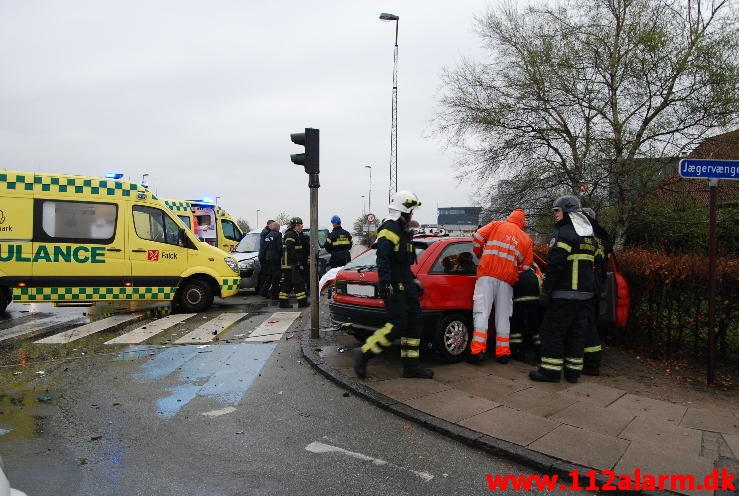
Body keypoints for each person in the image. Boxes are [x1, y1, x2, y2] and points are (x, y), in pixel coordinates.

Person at [353, 190, 433, 379]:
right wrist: (386, 282)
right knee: (397, 325)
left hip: (406, 283)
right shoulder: (389, 228)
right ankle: (365, 354)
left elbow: (402, 263)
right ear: (403, 211)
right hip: (395, 285)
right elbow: (383, 258)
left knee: (414, 323)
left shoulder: (403, 230)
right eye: (410, 211)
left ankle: (411, 367)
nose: (412, 214)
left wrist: (413, 279)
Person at [529, 195, 597, 383]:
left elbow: (555, 266)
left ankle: (550, 371)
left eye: (556, 211)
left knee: (552, 332)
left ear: (567, 212)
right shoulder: (589, 238)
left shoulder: (564, 233)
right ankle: (573, 373)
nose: (555, 215)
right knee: (576, 335)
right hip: (584, 297)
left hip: (563, 295)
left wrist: (546, 292)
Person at [469, 209, 533, 364]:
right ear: (522, 223)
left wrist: (480, 255)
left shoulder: (497, 225)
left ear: (509, 217)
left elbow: (477, 238)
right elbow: (526, 266)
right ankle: (503, 353)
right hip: (507, 281)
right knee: (503, 316)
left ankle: (478, 351)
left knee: (482, 312)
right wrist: (513, 270)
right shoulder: (526, 239)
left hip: (487, 275)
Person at [580, 207, 609, 376]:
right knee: (590, 323)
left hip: (587, 286)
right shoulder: (601, 237)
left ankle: (591, 363)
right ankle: (590, 361)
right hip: (596, 285)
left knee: (587, 324)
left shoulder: (589, 237)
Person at [510, 264, 543, 362]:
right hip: (533, 307)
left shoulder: (516, 276)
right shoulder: (536, 277)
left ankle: (517, 352)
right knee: (535, 331)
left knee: (517, 330)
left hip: (518, 307)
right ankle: (539, 354)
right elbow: (541, 291)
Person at [279, 217, 309, 309]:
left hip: (290, 264)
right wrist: (296, 261)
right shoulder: (291, 234)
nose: (301, 227)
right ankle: (302, 302)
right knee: (299, 282)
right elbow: (290, 248)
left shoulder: (295, 234)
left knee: (288, 283)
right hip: (291, 264)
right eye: (300, 225)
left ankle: (283, 302)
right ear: (295, 226)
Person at [263, 221, 282, 301]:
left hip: (268, 258)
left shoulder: (267, 235)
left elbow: (265, 247)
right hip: (275, 258)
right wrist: (282, 254)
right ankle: (274, 294)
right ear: (277, 227)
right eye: (279, 227)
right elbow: (279, 247)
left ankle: (264, 291)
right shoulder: (278, 235)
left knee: (270, 275)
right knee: (276, 276)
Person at [257, 219, 276, 297]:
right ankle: (263, 291)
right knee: (266, 274)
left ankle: (263, 291)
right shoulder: (266, 233)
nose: (273, 226)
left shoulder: (265, 232)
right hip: (264, 256)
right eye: (272, 225)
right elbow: (265, 245)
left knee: (266, 274)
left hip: (264, 255)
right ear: (269, 225)